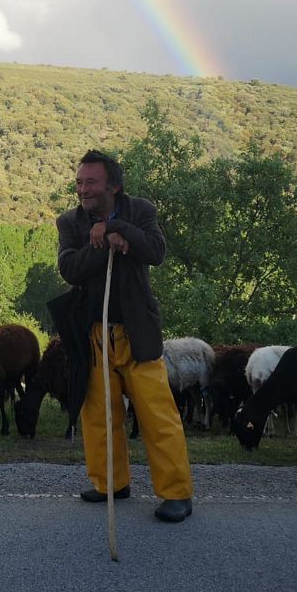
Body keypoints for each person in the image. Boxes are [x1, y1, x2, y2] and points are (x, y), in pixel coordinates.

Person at [55, 149, 194, 523]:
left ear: (113, 185)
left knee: (157, 415)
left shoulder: (141, 210)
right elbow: (70, 269)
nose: (82, 189)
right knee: (99, 416)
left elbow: (156, 251)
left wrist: (118, 229)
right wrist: (101, 244)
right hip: (94, 334)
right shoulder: (69, 222)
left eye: (91, 182)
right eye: (79, 182)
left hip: (137, 333)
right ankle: (111, 484)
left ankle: (177, 493)